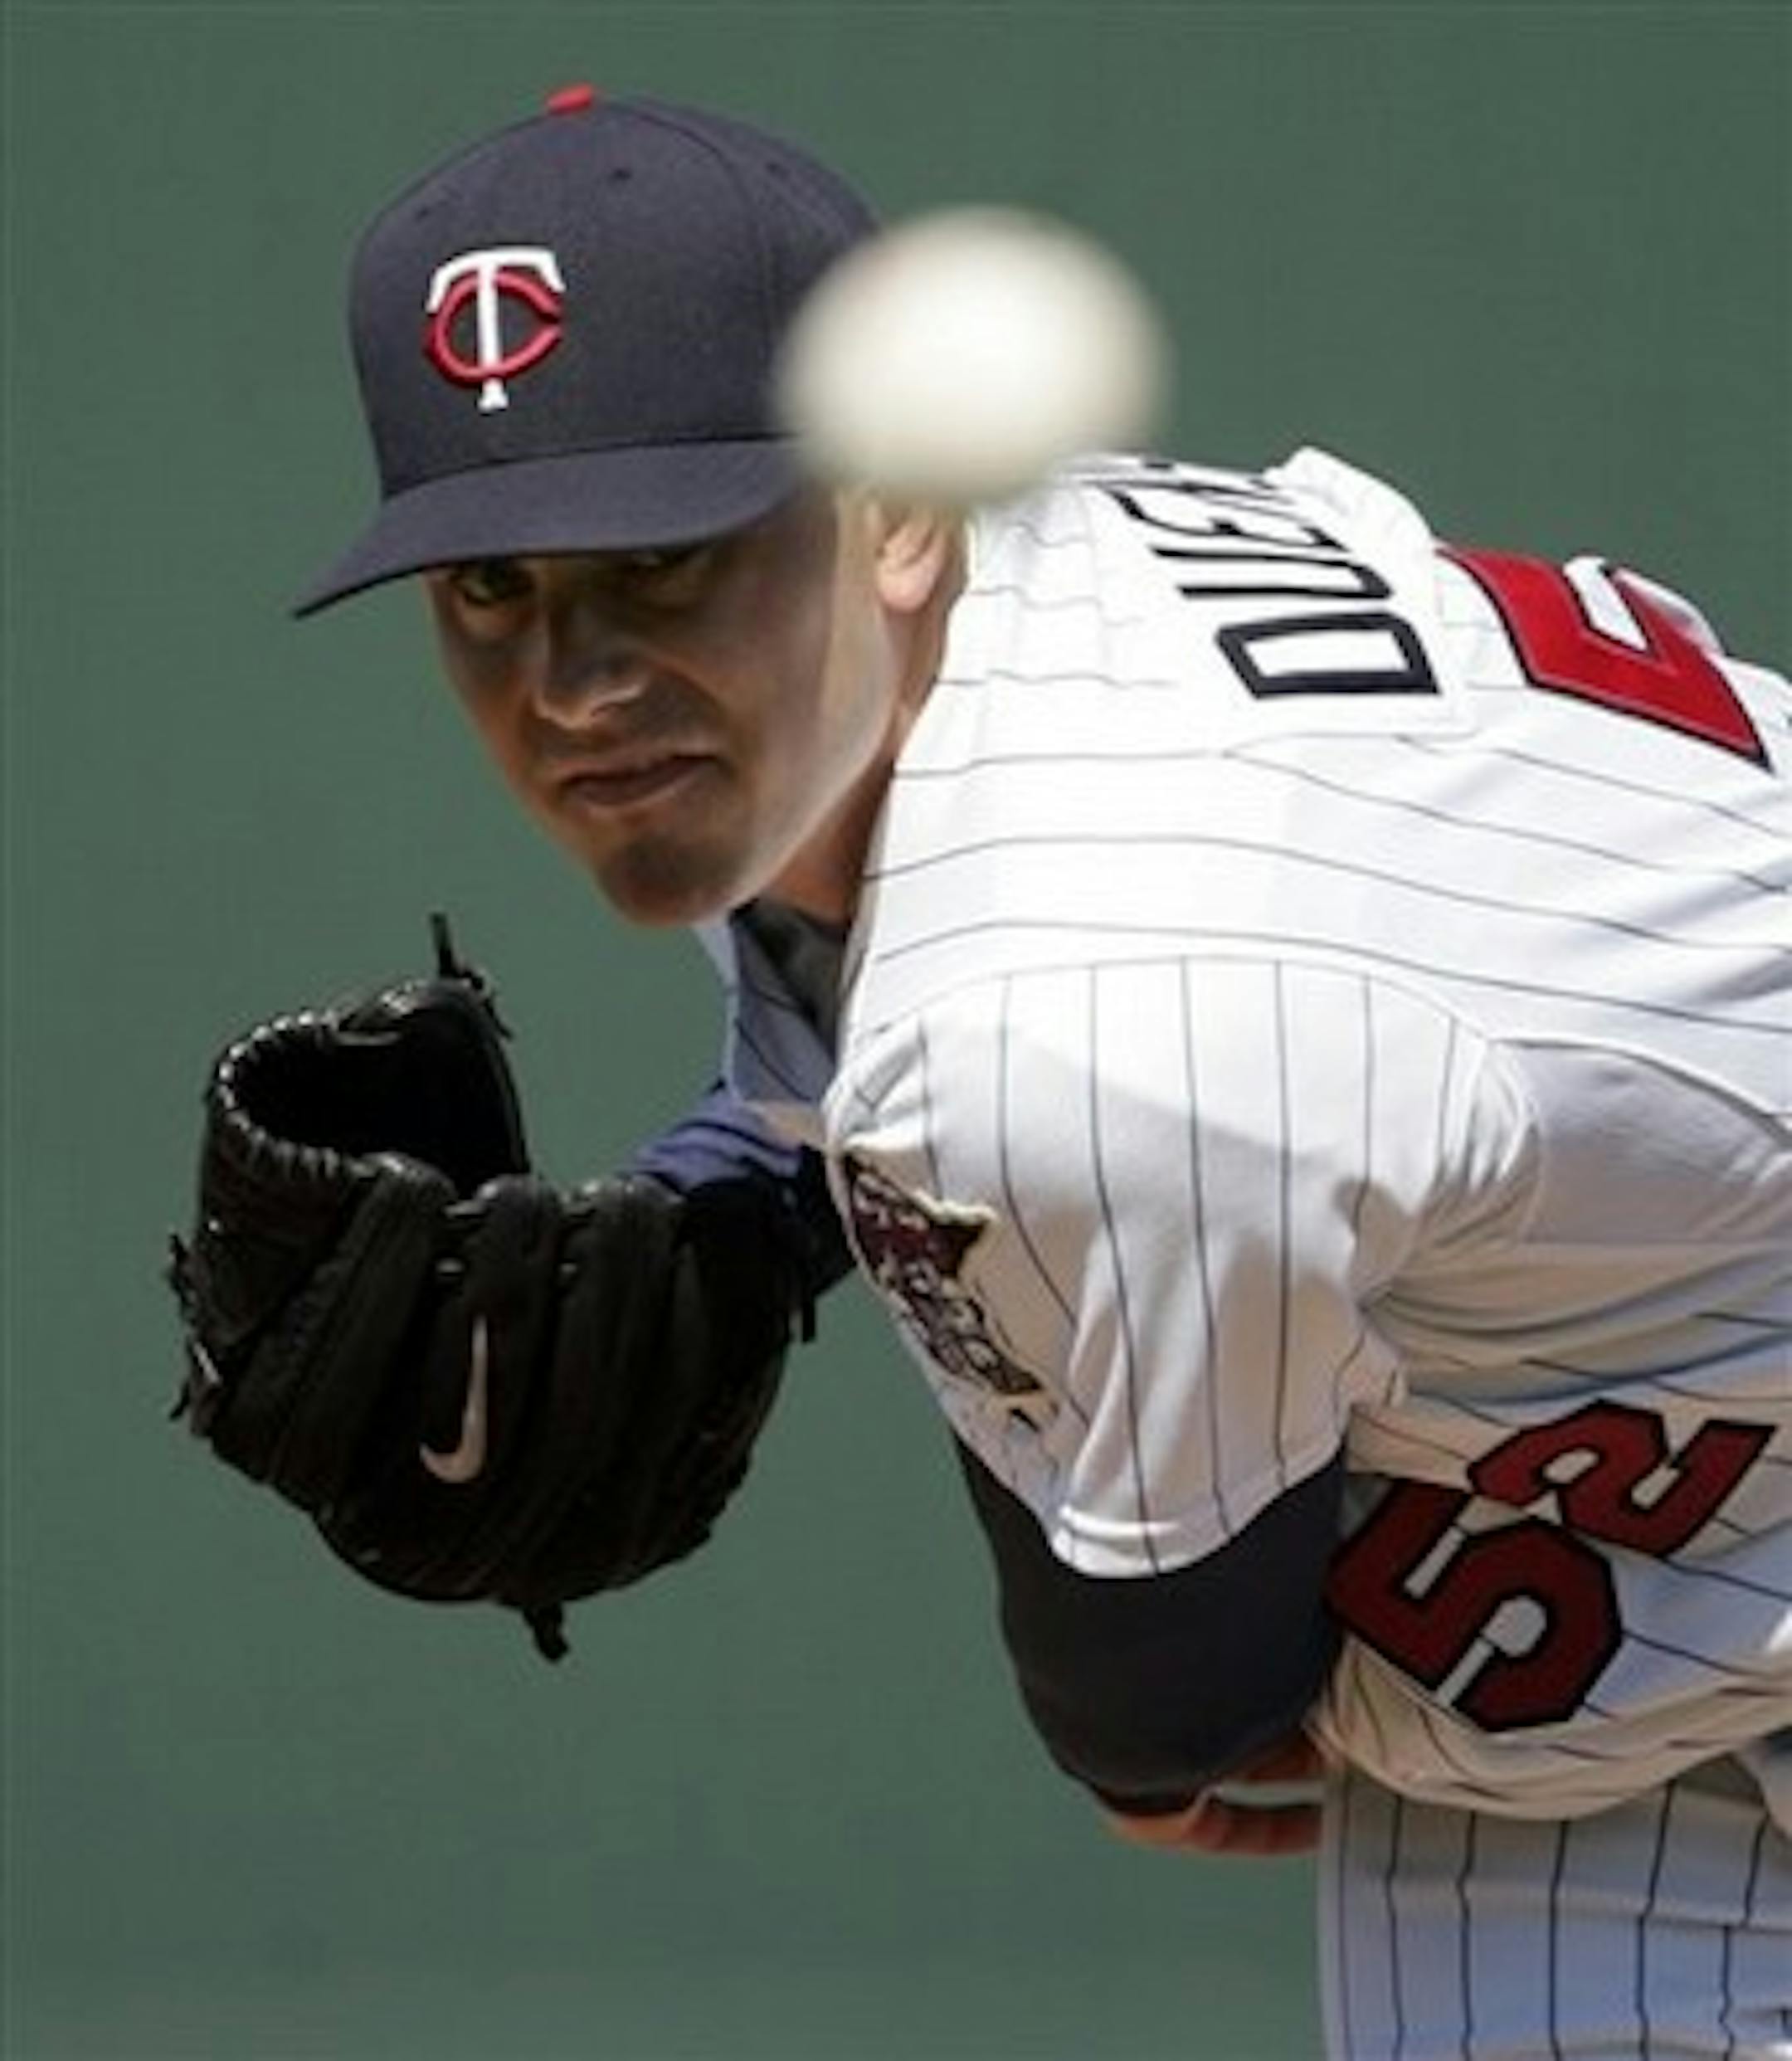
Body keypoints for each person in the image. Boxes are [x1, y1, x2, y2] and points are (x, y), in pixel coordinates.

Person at [294, 85, 1791, 2059]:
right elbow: (883, 1017)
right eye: (495, 585)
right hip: (1663, 1528)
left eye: (662, 554)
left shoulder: (1087, 1000)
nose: (569, 682)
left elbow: (1168, 1699)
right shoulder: (1006, 604)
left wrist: (1132, 1724)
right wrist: (718, 1210)